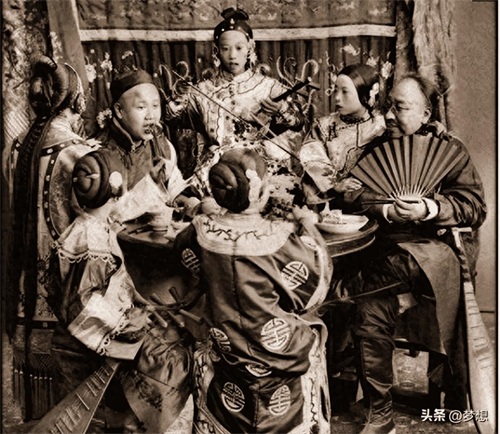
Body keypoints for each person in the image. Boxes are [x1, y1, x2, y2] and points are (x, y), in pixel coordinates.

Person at [331, 73, 487, 434]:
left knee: (395, 268)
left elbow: (473, 206)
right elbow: (352, 193)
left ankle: (340, 291)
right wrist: (386, 210)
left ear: (426, 112)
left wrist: (429, 208)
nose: (389, 115)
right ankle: (380, 412)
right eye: (389, 106)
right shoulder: (379, 145)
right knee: (370, 308)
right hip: (383, 250)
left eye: (400, 107)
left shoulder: (451, 150)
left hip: (433, 252)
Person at [173, 148, 333, 433]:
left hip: (227, 346)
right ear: (257, 190)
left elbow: (189, 261)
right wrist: (308, 225)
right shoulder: (279, 236)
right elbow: (314, 293)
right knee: (311, 337)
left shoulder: (200, 230)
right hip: (276, 349)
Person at [46, 149, 193, 433]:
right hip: (83, 340)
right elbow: (83, 303)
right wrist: (125, 322)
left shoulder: (90, 224)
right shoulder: (92, 241)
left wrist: (133, 299)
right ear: (116, 189)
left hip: (87, 329)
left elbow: (121, 209)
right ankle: (138, 421)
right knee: (168, 363)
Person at [4, 55, 96, 420]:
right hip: (64, 286)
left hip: (23, 286)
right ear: (74, 99)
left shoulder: (17, 147)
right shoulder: (78, 152)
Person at [165, 7, 306, 213]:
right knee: (199, 203)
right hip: (219, 164)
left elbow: (299, 122)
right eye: (225, 49)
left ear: (251, 47)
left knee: (281, 199)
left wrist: (282, 109)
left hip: (260, 161)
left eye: (239, 48)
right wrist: (179, 96)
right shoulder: (203, 90)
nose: (232, 55)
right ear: (216, 51)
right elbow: (170, 118)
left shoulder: (268, 86)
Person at [93, 67, 197, 211]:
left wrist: (188, 201)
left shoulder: (161, 144)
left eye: (155, 106)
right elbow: (105, 213)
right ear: (119, 110)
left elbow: (173, 186)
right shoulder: (99, 154)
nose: (151, 116)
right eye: (141, 107)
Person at [299, 63, 385, 206]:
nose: (337, 98)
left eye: (345, 92)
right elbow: (313, 159)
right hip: (329, 203)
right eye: (335, 90)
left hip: (370, 203)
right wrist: (335, 185)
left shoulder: (381, 127)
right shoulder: (323, 126)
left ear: (366, 94)